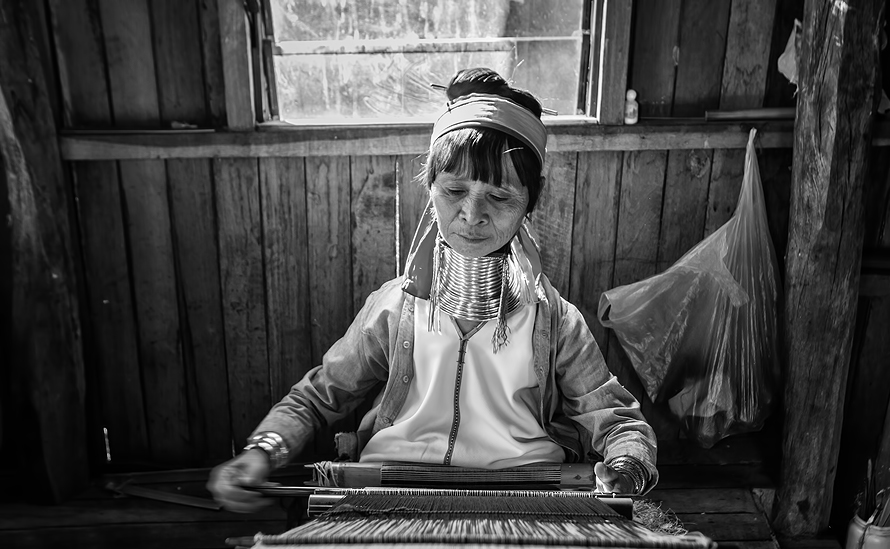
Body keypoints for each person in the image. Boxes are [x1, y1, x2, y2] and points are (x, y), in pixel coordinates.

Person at [208, 68, 658, 513]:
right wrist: (261, 452)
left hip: (527, 497)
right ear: (431, 189)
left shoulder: (555, 321)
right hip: (392, 495)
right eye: (454, 190)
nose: (472, 213)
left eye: (500, 198)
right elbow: (318, 396)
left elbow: (617, 420)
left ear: (529, 204)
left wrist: (628, 464)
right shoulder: (395, 308)